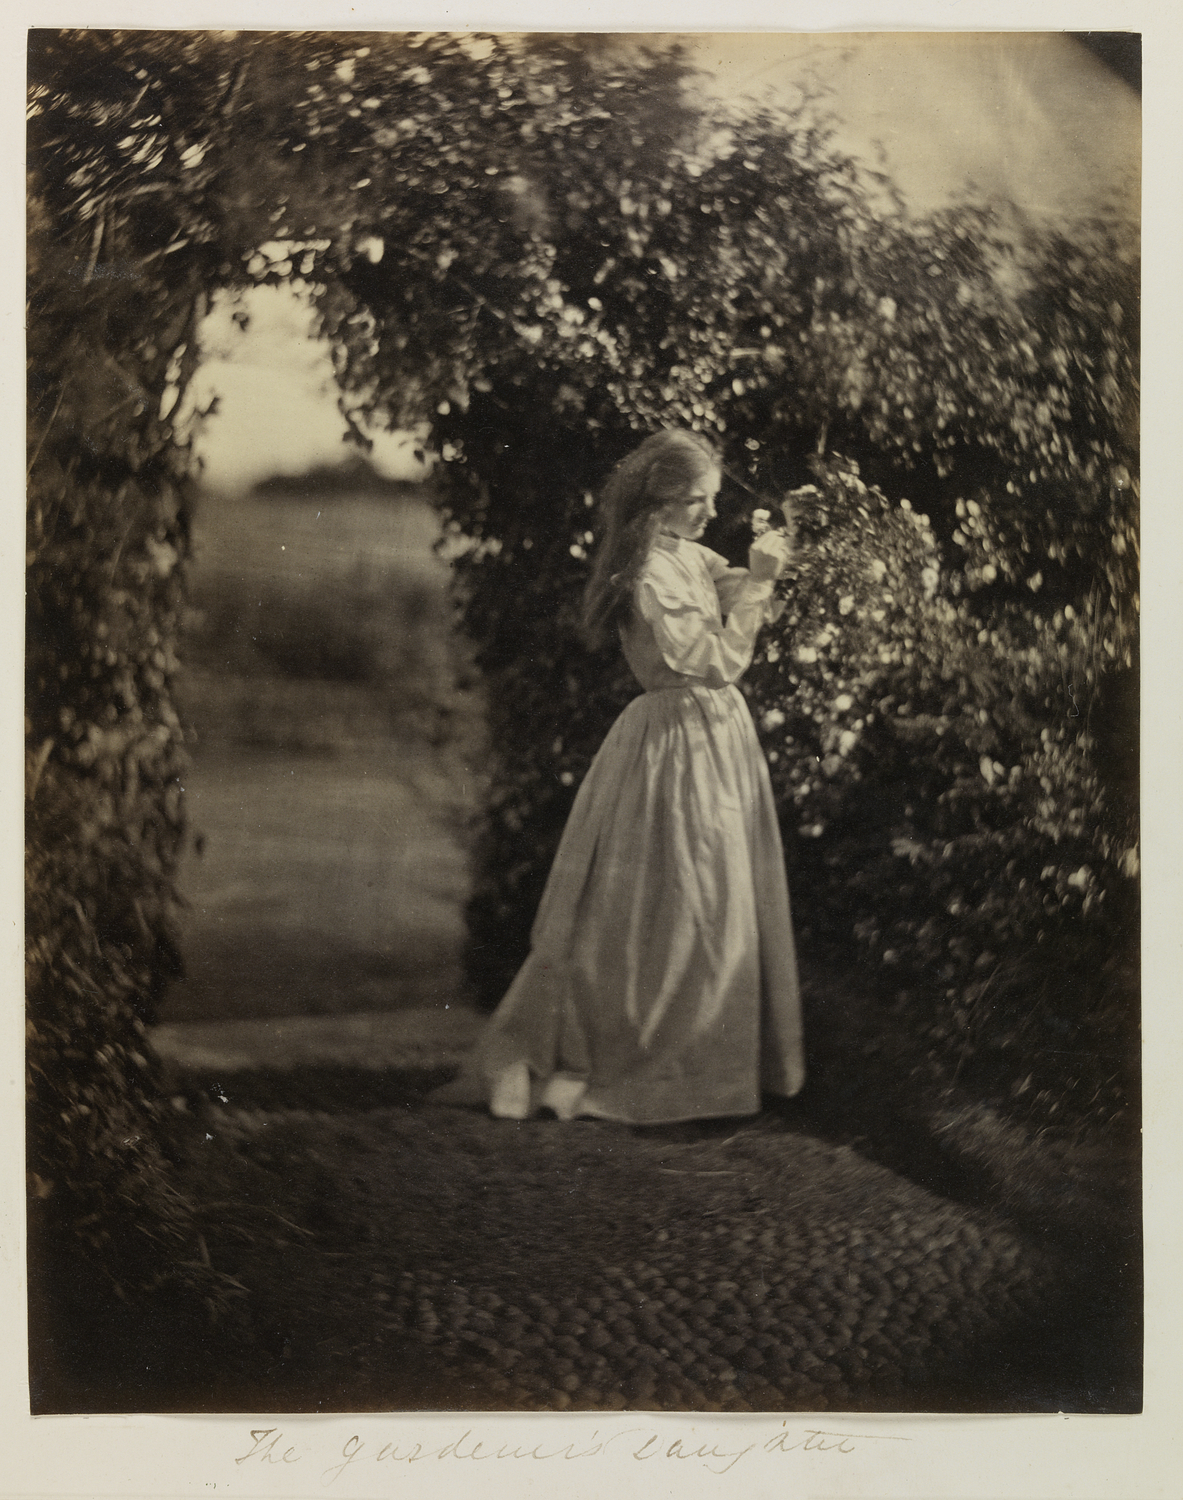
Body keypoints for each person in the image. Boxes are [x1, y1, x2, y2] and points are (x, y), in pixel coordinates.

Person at [438, 429, 804, 1124]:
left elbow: (760, 598)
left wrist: (783, 560)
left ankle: (709, 1059)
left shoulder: (691, 558)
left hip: (717, 739)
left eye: (711, 499)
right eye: (692, 500)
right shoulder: (643, 576)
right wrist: (756, 582)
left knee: (717, 897)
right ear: (655, 501)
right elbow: (716, 660)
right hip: (673, 745)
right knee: (671, 900)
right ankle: (649, 1055)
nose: (705, 512)